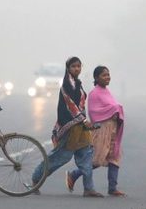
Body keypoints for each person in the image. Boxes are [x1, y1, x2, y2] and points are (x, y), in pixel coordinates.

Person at [31, 57, 104, 198]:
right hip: (69, 129)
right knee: (59, 158)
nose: (77, 69)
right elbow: (71, 106)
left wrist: (84, 122)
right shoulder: (66, 85)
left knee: (86, 156)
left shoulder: (78, 84)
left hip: (81, 129)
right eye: (73, 66)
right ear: (68, 68)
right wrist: (83, 120)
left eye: (78, 66)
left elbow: (81, 105)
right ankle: (36, 179)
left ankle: (89, 188)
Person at [67, 66, 126, 197]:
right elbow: (94, 113)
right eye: (104, 75)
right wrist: (115, 109)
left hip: (112, 130)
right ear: (96, 78)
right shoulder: (94, 93)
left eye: (108, 75)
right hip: (101, 131)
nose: (107, 77)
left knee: (114, 157)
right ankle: (74, 175)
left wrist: (115, 111)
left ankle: (112, 187)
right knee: (97, 160)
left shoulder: (107, 91)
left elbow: (112, 107)